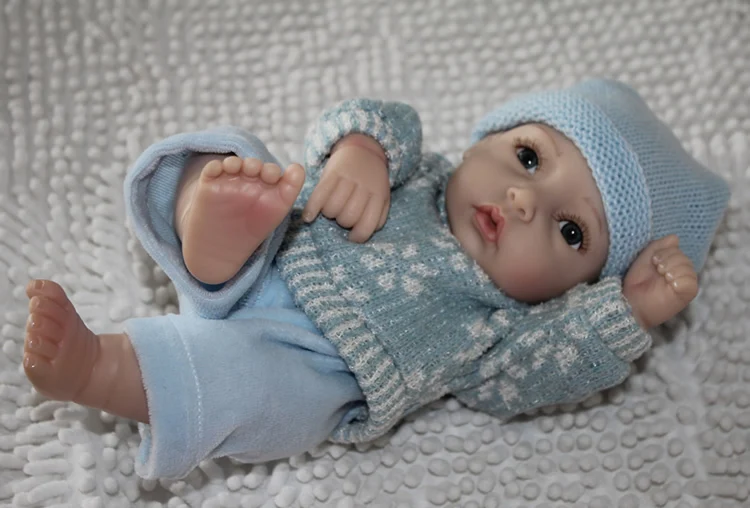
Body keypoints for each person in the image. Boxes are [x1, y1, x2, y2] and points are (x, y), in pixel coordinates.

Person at [21, 79, 730, 479]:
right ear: (489, 135)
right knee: (241, 164)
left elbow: (539, 375)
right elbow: (381, 117)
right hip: (283, 240)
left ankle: (100, 366)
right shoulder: (416, 168)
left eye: (570, 231)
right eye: (529, 157)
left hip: (319, 363)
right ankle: (211, 236)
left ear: (578, 290)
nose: (524, 200)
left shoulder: (503, 329)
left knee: (257, 393)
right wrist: (360, 151)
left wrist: (628, 312)